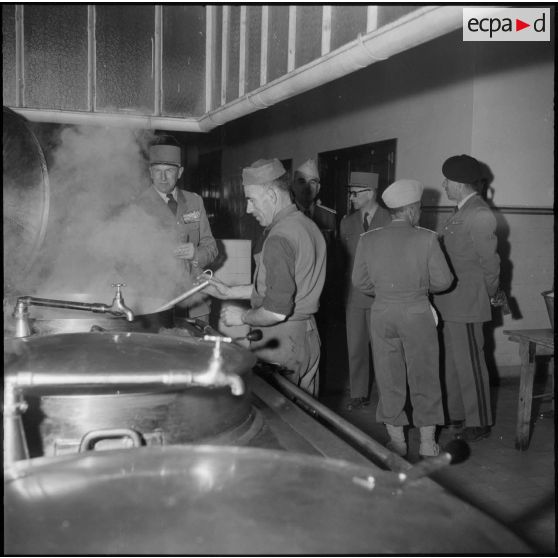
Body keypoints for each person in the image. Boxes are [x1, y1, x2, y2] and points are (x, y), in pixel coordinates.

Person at [204, 158, 326, 396]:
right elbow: (284, 286)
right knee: (305, 418)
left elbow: (275, 311)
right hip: (307, 336)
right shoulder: (305, 225)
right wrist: (229, 291)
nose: (248, 209)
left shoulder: (279, 238)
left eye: (251, 199)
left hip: (281, 342)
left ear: (271, 194)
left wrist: (243, 316)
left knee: (278, 418)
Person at [352, 179, 453, 457]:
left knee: (388, 376)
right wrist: (417, 288)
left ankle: (396, 441)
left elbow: (359, 281)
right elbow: (444, 281)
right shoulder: (427, 238)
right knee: (425, 376)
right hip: (417, 313)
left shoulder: (368, 239)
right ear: (412, 211)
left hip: (382, 313)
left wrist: (385, 292)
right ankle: (428, 443)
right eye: (418, 209)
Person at [435, 154, 501, 442]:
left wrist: (489, 295)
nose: (444, 185)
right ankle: (457, 413)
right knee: (453, 360)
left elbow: (491, 264)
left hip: (469, 301)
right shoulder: (461, 211)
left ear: (460, 184)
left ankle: (480, 420)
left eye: (447, 181)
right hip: (452, 301)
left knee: (471, 361)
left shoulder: (479, 213)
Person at [133, 140, 218, 321]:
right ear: (150, 172)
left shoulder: (195, 201)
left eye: (169, 171)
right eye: (158, 171)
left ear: (179, 172)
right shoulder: (138, 206)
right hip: (156, 301)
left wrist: (196, 253)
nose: (163, 178)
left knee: (198, 346)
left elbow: (211, 247)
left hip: (195, 299)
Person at [339, 172, 391, 410]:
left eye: (355, 193)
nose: (350, 197)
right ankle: (359, 392)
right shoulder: (347, 222)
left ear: (370, 193)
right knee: (356, 347)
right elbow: (343, 262)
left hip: (382, 297)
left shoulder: (390, 219)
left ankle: (388, 394)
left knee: (383, 350)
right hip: (354, 297)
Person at [292, 159, 337, 244]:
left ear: (318, 188)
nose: (307, 188)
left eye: (312, 182)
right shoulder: (285, 214)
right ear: (294, 186)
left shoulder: (329, 216)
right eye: (302, 182)